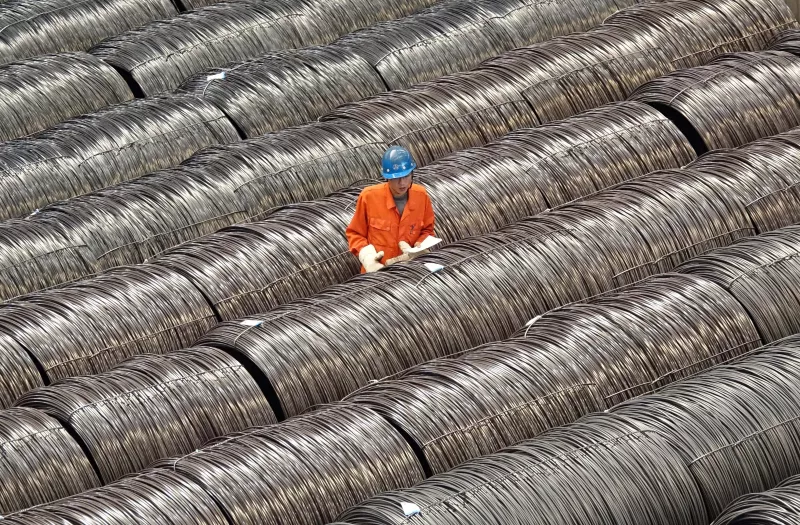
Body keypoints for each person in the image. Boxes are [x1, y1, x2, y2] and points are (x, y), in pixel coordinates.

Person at [346, 146, 435, 273]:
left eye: (406, 176)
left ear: (412, 173)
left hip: (409, 270)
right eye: (396, 178)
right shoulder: (369, 197)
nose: (402, 183)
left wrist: (419, 246)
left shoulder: (421, 196)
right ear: (387, 177)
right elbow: (355, 233)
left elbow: (427, 230)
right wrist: (367, 258)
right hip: (377, 272)